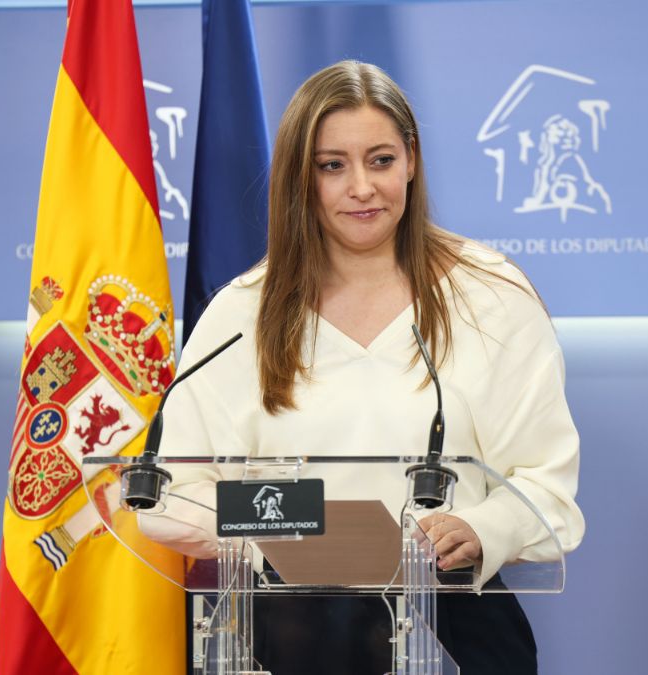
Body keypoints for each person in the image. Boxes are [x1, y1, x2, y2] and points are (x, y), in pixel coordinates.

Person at [140, 60, 584, 674]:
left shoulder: (491, 296)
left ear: (412, 160)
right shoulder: (241, 314)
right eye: (332, 166)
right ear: (300, 177)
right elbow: (168, 495)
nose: (362, 187)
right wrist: (295, 522)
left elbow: (545, 484)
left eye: (381, 160)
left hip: (455, 624)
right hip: (280, 630)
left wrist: (484, 527)